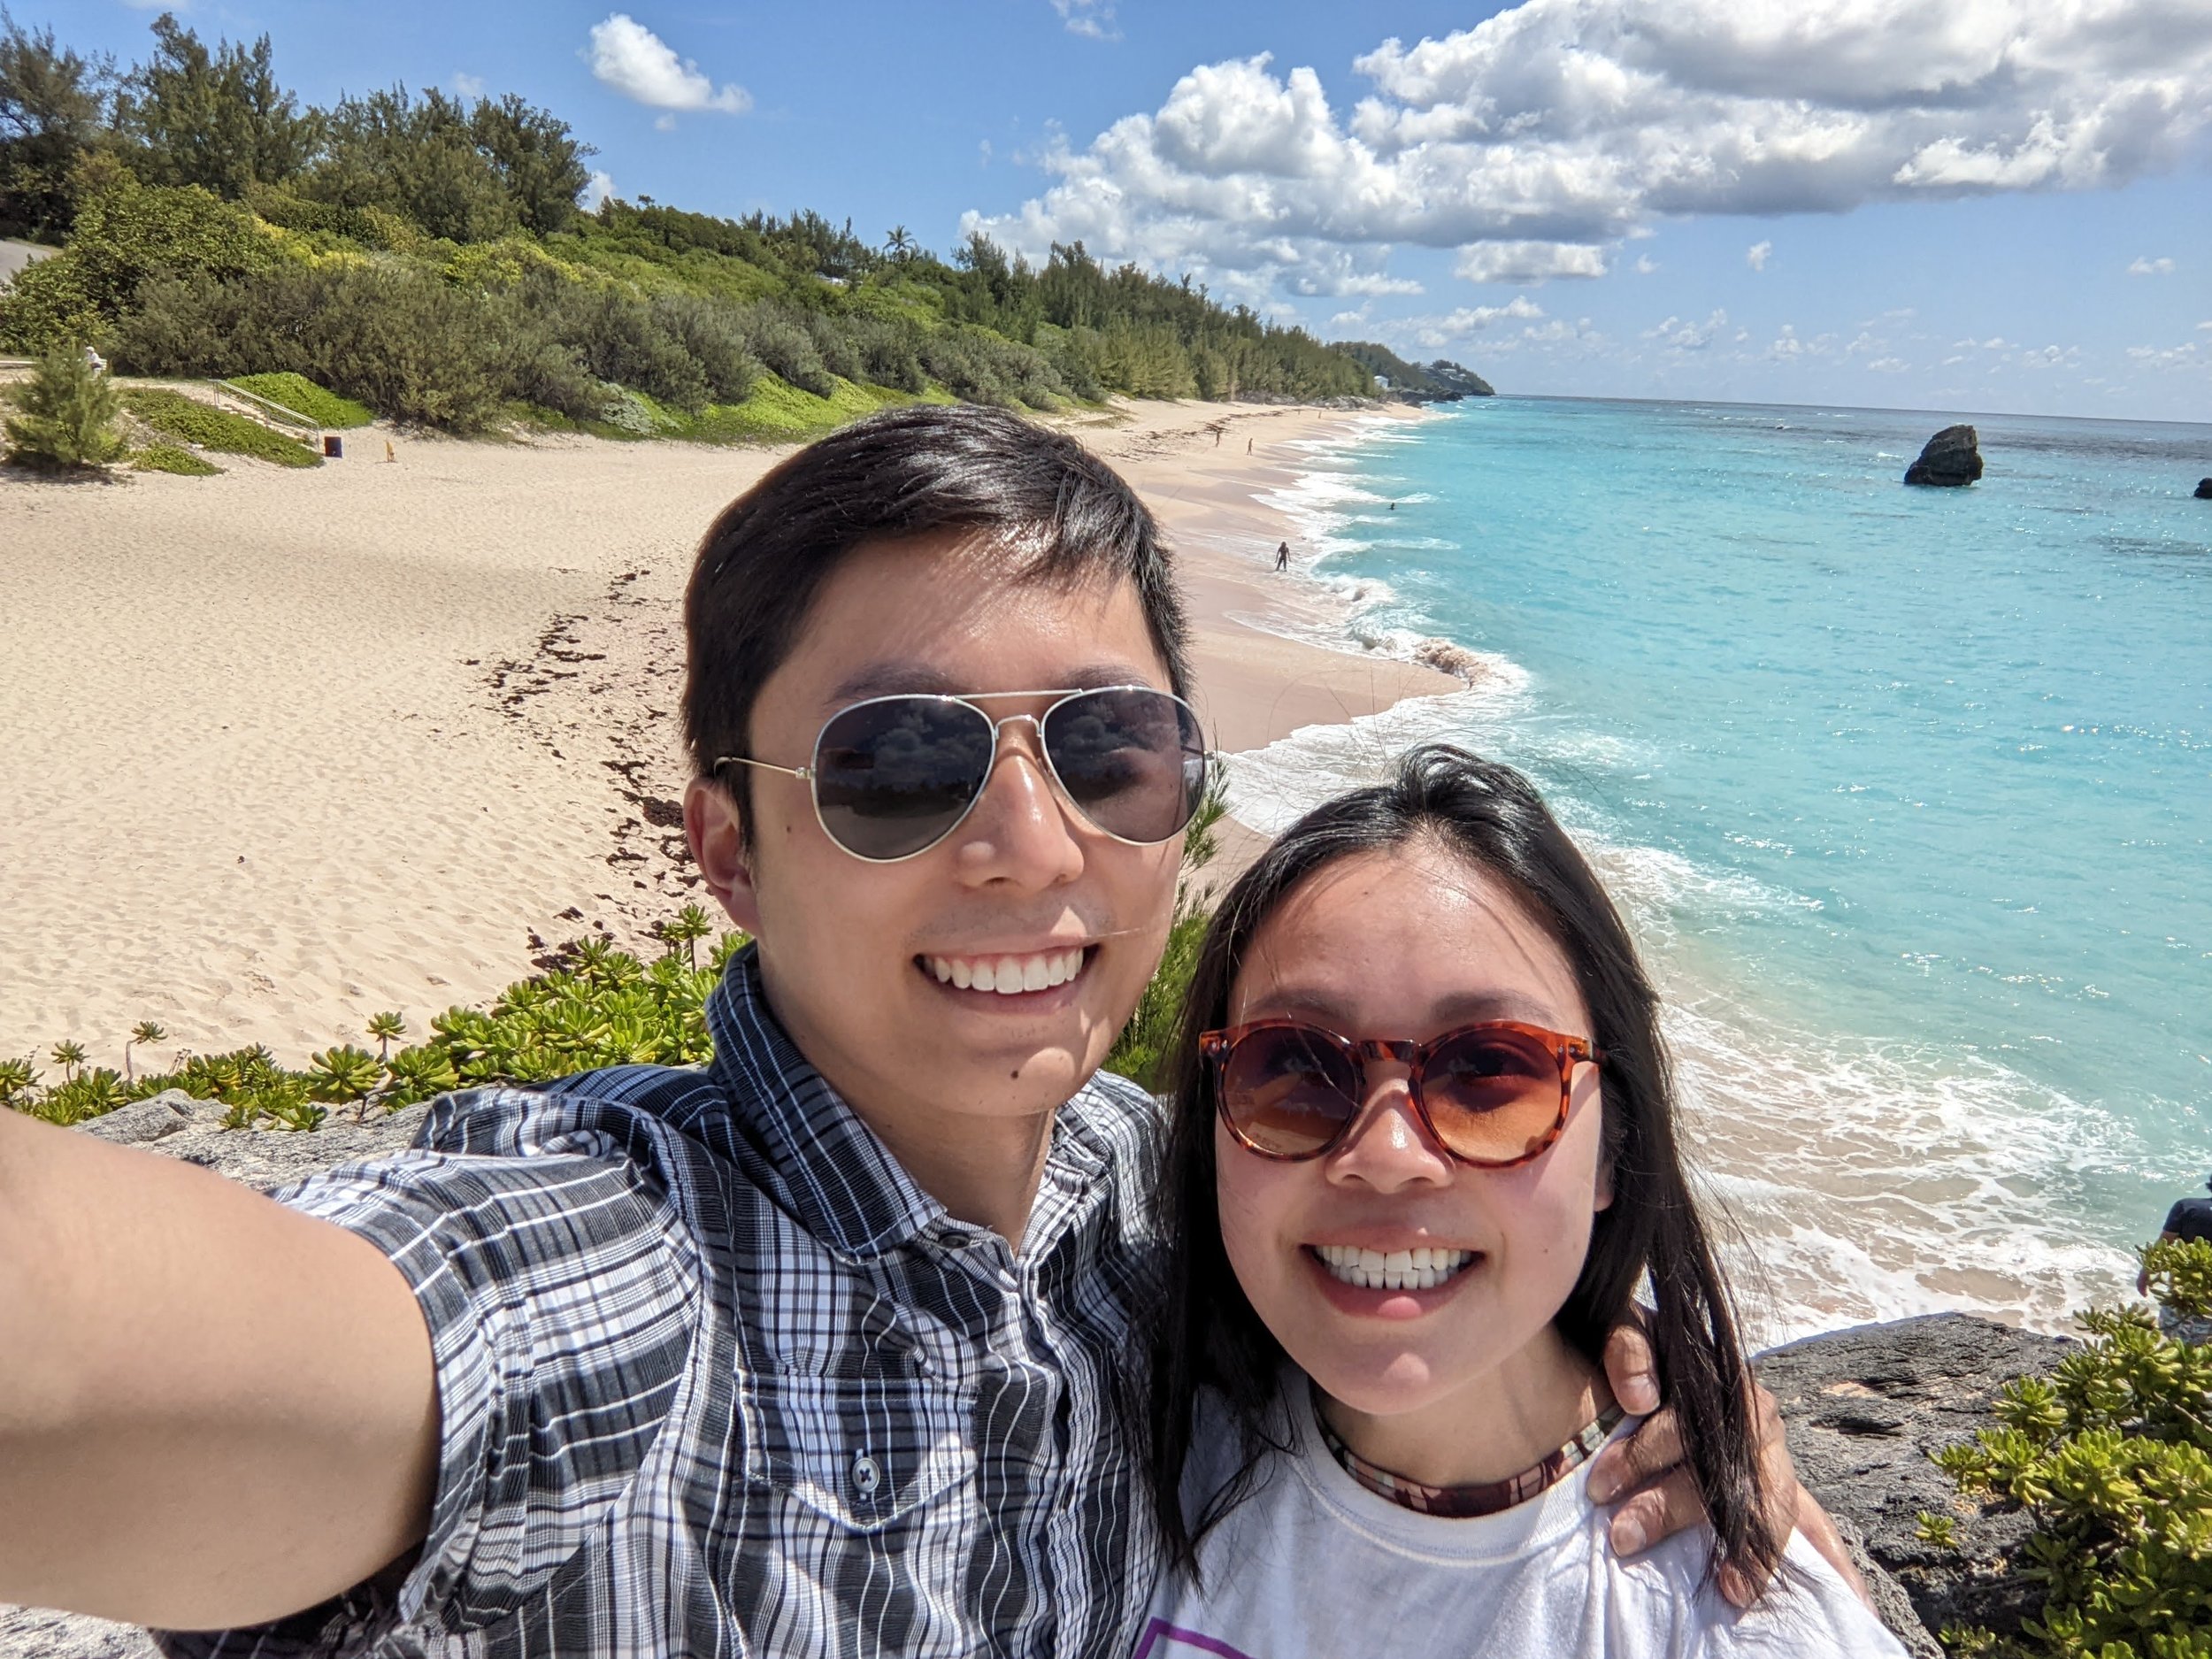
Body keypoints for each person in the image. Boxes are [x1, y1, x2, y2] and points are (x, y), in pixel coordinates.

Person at [0, 408, 1842, 1656]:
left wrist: (1643, 1368)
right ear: (729, 847)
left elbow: (1414, 1264)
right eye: (896, 764)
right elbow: (117, 1334)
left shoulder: (1170, 1195)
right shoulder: (607, 1280)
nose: (1029, 845)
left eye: (1107, 750)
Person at [1141, 746, 1900, 1656]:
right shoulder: (1118, 1448)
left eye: (1490, 1069)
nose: (1386, 1156)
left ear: (1614, 1146)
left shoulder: (1733, 1621)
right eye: (1294, 1066)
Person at [2137, 1175, 2212, 1342]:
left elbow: (2163, 1245)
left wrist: (2145, 1274)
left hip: (2183, 1295)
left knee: (2177, 1345)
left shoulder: (2187, 1207)